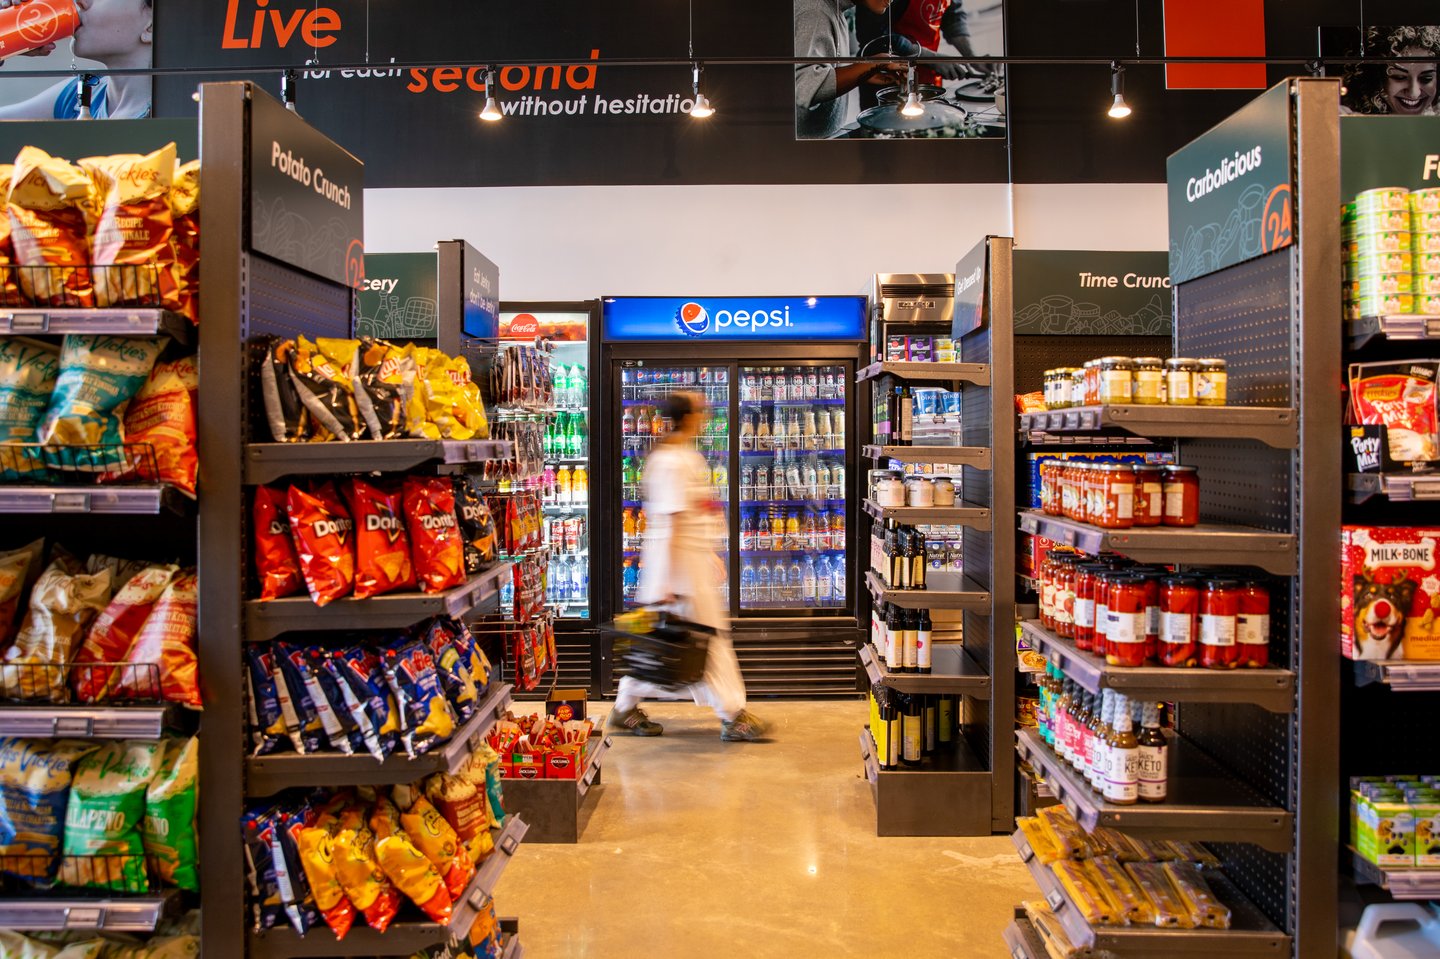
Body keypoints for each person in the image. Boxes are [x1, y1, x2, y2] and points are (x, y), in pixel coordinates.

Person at [607, 391, 768, 742]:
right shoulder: (672, 462)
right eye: (701, 410)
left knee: (665, 644)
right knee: (705, 643)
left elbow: (694, 513)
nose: (706, 415)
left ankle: (623, 709)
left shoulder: (682, 456)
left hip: (687, 567)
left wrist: (709, 554)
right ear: (689, 417)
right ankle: (733, 716)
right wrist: (666, 581)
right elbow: (672, 522)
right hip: (679, 572)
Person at [0, 0, 153, 119]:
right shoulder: (80, 95)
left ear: (150, 27)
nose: (80, 1)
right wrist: (4, 38)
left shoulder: (173, 113)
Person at [794, 0, 906, 139]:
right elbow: (805, 87)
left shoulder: (833, 8)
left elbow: (823, 65)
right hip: (806, 150)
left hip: (824, 139)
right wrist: (873, 64)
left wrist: (863, 73)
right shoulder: (815, 11)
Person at [1342, 25, 1440, 116]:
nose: (1414, 93)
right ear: (1377, 79)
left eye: (1426, 78)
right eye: (1400, 77)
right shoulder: (1356, 123)